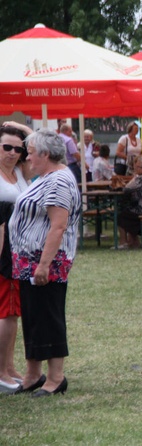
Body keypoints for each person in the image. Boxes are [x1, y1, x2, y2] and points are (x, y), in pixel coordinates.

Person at [9, 128, 81, 397]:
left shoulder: (59, 180)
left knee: (48, 316)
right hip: (29, 261)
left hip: (46, 262)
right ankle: (32, 374)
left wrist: (43, 264)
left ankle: (55, 378)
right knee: (33, 316)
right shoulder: (46, 176)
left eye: (30, 153)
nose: (27, 158)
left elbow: (58, 225)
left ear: (46, 154)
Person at [0, 122, 30, 394]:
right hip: (4, 252)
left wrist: (21, 129)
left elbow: (43, 148)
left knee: (13, 314)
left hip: (19, 250)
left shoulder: (20, 172)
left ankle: (8, 367)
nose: (11, 152)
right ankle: (1, 372)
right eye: (6, 146)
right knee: (6, 313)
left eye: (17, 149)